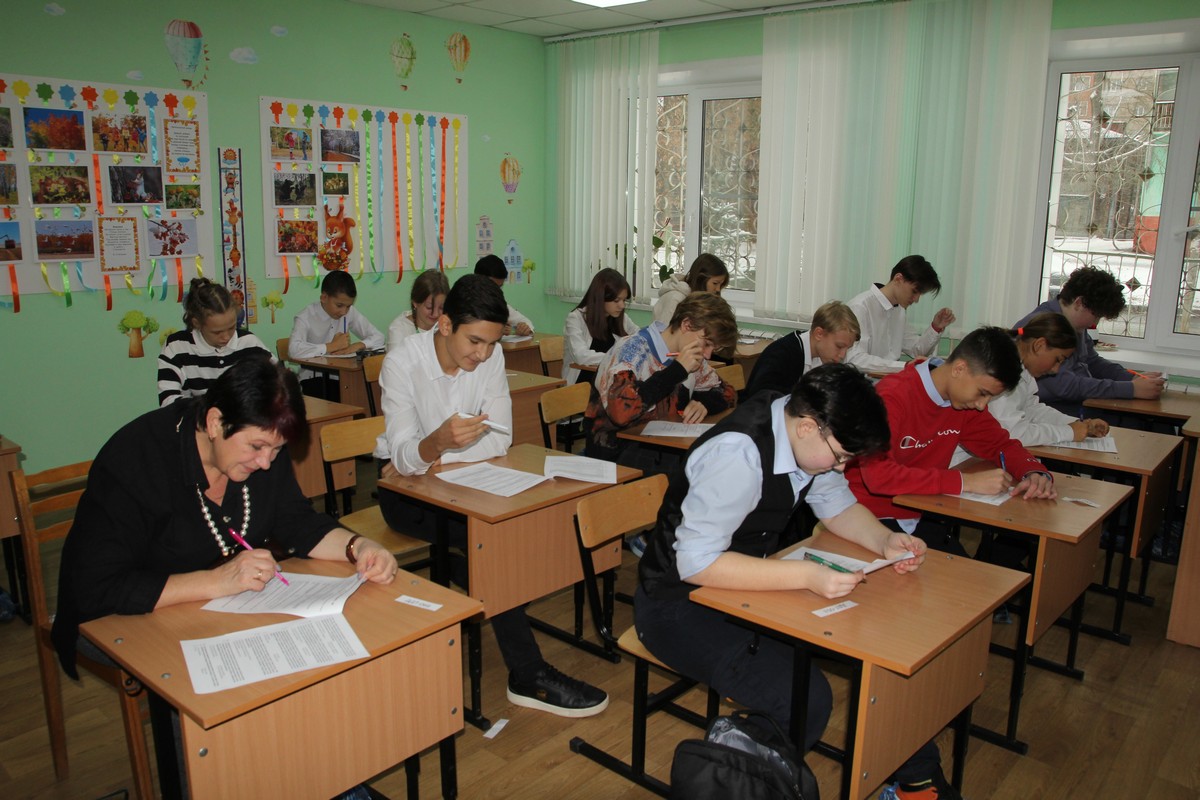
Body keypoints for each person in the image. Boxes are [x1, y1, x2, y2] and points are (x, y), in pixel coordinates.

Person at [635, 365, 966, 800]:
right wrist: (807, 575)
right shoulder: (738, 455)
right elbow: (695, 564)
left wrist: (884, 540)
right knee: (803, 698)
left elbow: (836, 504)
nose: (843, 466)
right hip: (677, 605)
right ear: (809, 426)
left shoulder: (801, 428)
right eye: (841, 457)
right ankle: (736, 773)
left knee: (883, 647)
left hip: (742, 586)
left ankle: (916, 781)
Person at [52, 357, 399, 678]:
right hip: (114, 619)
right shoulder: (136, 460)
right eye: (256, 447)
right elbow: (96, 589)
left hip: (216, 608)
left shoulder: (261, 445)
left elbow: (297, 521)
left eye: (277, 450)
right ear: (215, 422)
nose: (266, 463)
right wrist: (217, 582)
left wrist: (359, 546)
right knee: (213, 677)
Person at [374, 274, 607, 718]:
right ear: (445, 325)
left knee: (508, 537)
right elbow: (402, 457)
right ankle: (528, 673)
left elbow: (499, 440)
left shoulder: (492, 356)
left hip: (467, 481)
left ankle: (483, 591)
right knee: (490, 551)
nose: (483, 355)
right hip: (409, 498)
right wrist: (432, 447)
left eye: (491, 343)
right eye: (475, 342)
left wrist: (434, 455)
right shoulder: (402, 362)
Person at [843, 327, 1056, 549]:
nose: (982, 405)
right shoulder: (892, 397)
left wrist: (1034, 472)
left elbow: (1000, 444)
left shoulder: (964, 404)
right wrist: (966, 482)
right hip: (868, 518)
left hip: (920, 511)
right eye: (983, 393)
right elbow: (879, 476)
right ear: (959, 369)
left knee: (979, 567)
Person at [585, 291, 738, 468]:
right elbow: (620, 413)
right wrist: (676, 371)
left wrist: (704, 404)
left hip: (661, 452)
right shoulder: (631, 351)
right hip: (615, 456)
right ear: (687, 324)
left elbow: (729, 394)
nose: (708, 354)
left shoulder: (693, 358)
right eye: (707, 344)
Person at [1014, 266, 1164, 416]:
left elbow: (1093, 362)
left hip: (1072, 404)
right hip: (1051, 409)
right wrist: (1131, 389)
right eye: (1096, 316)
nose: (1095, 323)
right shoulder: (1044, 327)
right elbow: (1065, 386)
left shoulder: (1073, 324)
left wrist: (1132, 378)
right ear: (1079, 303)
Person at [986, 312, 1111, 446]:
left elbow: (1031, 409)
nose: (1055, 370)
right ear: (1039, 345)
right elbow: (1012, 433)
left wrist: (1078, 425)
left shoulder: (1023, 366)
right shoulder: (1004, 368)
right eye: (1057, 360)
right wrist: (1068, 432)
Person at [157, 277, 272, 406]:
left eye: (232, 327)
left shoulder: (250, 344)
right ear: (197, 323)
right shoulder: (176, 347)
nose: (226, 337)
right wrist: (211, 410)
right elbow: (168, 401)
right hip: (196, 416)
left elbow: (278, 383)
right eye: (217, 332)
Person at [845, 255, 956, 373]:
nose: (916, 299)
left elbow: (917, 350)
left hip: (890, 380)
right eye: (914, 291)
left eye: (920, 294)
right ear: (898, 279)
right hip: (861, 380)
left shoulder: (899, 311)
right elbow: (855, 359)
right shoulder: (860, 307)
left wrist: (936, 327)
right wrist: (904, 366)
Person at [288, 269, 384, 399]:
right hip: (313, 380)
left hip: (343, 378)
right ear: (324, 298)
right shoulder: (305, 317)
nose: (344, 312)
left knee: (366, 392)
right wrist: (331, 346)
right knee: (350, 397)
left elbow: (379, 337)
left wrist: (358, 345)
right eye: (339, 305)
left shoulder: (349, 313)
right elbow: (293, 350)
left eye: (348, 306)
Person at [743, 300, 860, 399]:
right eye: (839, 346)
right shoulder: (782, 353)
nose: (842, 355)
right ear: (819, 334)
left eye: (848, 348)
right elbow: (761, 396)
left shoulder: (825, 357)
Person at [563, 268, 639, 385]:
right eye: (616, 300)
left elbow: (639, 338)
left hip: (608, 383)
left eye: (624, 300)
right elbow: (580, 356)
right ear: (601, 297)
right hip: (582, 385)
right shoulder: (575, 319)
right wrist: (616, 357)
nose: (622, 306)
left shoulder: (621, 318)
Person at [652, 253, 729, 325]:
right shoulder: (675, 298)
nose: (718, 289)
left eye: (721, 284)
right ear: (700, 279)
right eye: (715, 283)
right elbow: (662, 332)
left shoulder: (703, 301)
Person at [387, 269, 450, 350]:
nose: (435, 314)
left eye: (441, 307)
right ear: (415, 302)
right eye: (429, 307)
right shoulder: (399, 330)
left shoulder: (447, 324)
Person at [474, 254, 534, 335]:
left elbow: (527, 322)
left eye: (500, 287)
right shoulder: (465, 304)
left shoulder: (498, 304)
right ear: (479, 282)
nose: (497, 291)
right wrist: (496, 330)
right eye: (493, 286)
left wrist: (524, 329)